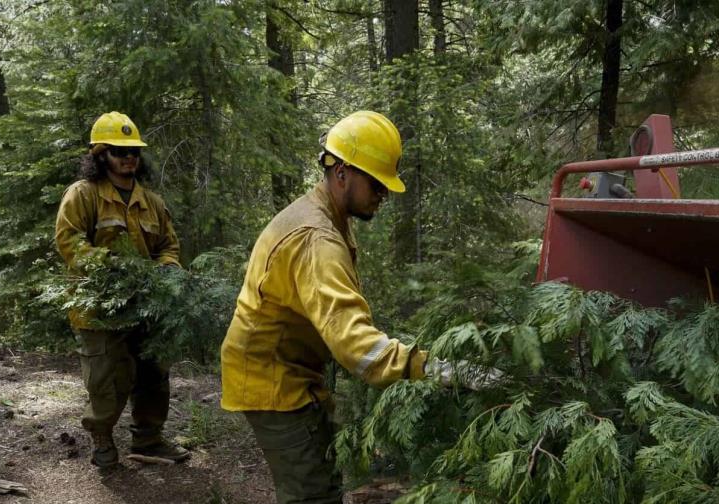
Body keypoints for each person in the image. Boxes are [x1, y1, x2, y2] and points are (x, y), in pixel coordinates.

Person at [220, 111, 500, 503]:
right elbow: (355, 346)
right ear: (342, 172)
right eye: (377, 183)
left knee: (323, 474)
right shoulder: (317, 239)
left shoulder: (329, 215)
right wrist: (432, 367)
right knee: (311, 493)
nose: (383, 194)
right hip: (273, 379)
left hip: (290, 368)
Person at [55, 111, 189, 468]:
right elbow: (69, 240)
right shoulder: (83, 195)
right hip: (98, 308)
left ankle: (149, 439)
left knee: (154, 374)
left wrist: (166, 273)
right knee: (106, 380)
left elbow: (168, 247)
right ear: (100, 155)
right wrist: (110, 269)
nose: (128, 157)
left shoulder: (152, 202)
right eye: (118, 150)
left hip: (146, 305)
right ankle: (102, 439)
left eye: (133, 151)